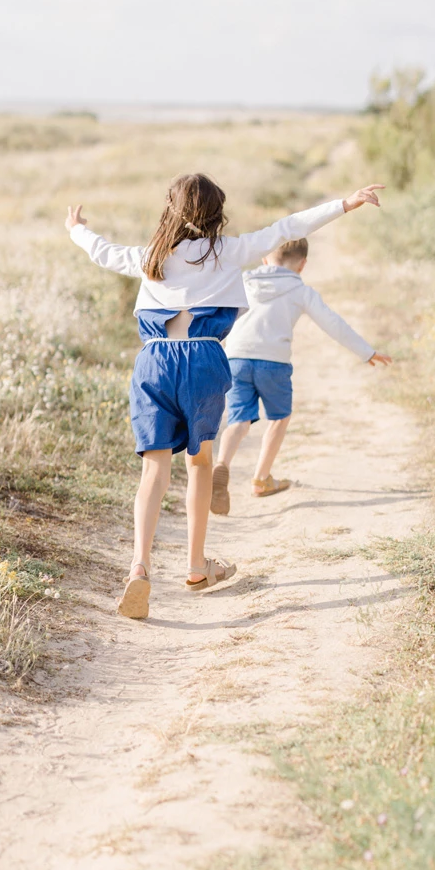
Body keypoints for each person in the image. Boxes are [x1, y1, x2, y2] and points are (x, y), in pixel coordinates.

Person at [65, 173, 384, 620]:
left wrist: (76, 229)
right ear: (217, 212)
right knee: (199, 464)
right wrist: (345, 204)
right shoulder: (229, 252)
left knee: (154, 469)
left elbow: (103, 251)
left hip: (154, 360)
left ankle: (139, 566)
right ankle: (197, 566)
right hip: (203, 360)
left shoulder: (151, 256)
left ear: (170, 210)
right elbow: (288, 228)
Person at [211, 238, 391, 515]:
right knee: (279, 418)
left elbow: (220, 315)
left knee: (238, 420)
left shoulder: (245, 282)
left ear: (264, 259)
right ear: (302, 265)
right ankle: (261, 479)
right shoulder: (300, 291)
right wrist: (366, 352)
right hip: (274, 362)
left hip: (236, 357)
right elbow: (333, 323)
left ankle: (222, 463)